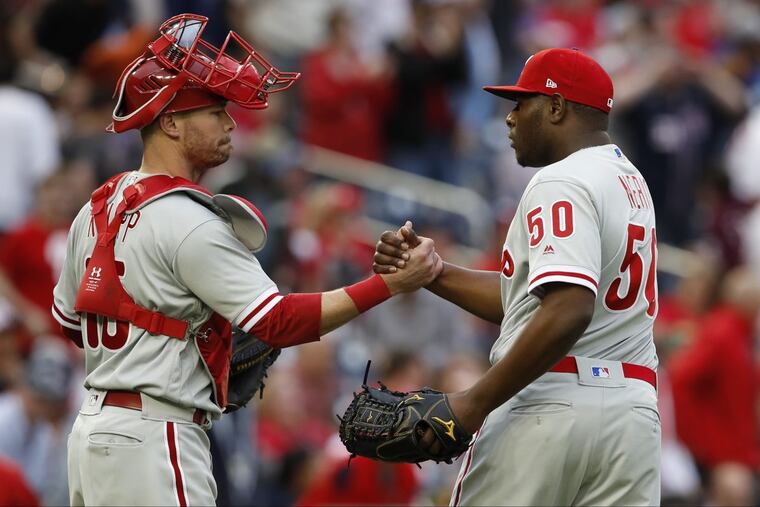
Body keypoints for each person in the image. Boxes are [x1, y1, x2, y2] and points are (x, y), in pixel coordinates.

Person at [51, 14, 440, 507]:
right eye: (215, 110)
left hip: (91, 434)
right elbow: (278, 322)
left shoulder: (96, 207)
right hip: (157, 437)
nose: (231, 122)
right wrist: (388, 284)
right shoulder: (192, 220)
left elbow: (70, 322)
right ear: (170, 122)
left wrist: (157, 341)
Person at [374, 47, 661, 505]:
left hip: (550, 399)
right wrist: (437, 273)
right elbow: (536, 299)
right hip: (631, 414)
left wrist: (474, 401)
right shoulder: (630, 180)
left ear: (555, 107)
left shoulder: (560, 180)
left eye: (520, 103)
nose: (509, 118)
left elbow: (569, 308)